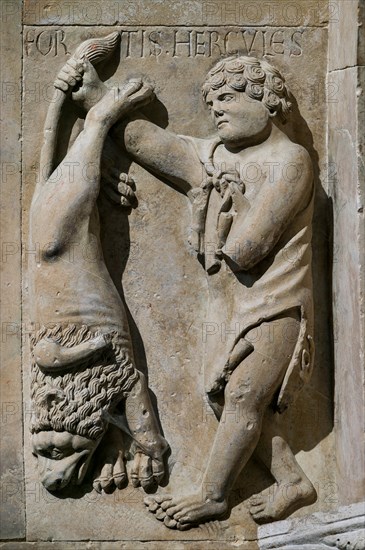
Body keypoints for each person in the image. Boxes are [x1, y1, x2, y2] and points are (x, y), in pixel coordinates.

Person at [58, 54, 316, 525]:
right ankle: (294, 481)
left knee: (241, 399)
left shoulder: (290, 161)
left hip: (275, 305)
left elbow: (246, 247)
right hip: (231, 307)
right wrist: (97, 99)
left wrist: (215, 203)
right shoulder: (219, 157)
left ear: (267, 101)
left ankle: (214, 495)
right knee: (232, 400)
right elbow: (158, 145)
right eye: (211, 101)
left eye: (229, 99)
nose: (217, 110)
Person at [29, 69, 168, 493]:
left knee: (54, 241)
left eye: (44, 453)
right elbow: (131, 385)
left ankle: (100, 118)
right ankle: (97, 127)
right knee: (62, 230)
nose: (52, 452)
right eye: (60, 452)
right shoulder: (101, 398)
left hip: (59, 282)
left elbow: (46, 355)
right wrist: (147, 442)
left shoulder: (50, 403)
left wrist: (88, 349)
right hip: (88, 306)